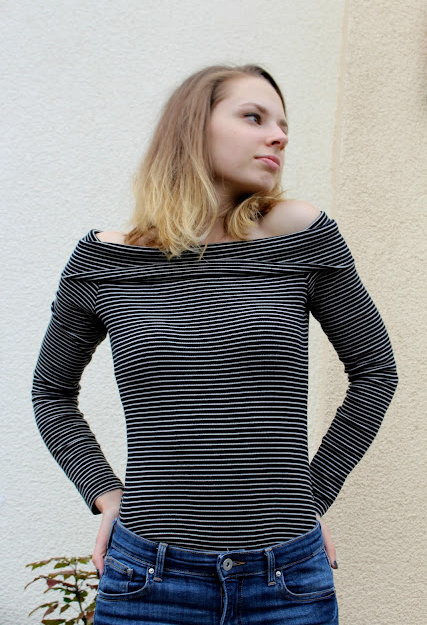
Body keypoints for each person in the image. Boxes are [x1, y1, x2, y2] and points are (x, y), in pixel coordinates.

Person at [31, 64, 398, 625]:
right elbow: (52, 392)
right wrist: (105, 493)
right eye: (254, 117)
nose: (278, 136)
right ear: (191, 127)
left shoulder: (302, 237)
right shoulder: (105, 260)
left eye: (283, 125)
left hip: (286, 583)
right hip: (148, 581)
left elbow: (375, 372)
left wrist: (312, 495)